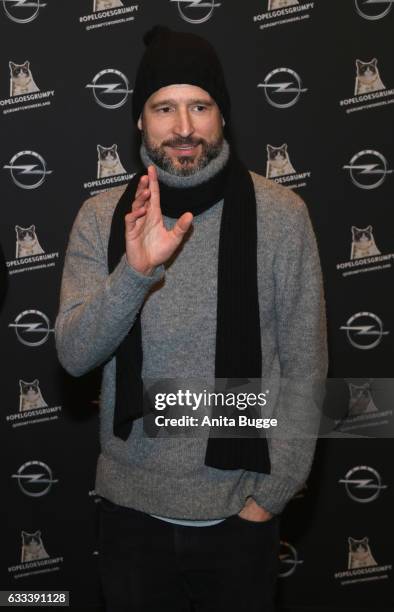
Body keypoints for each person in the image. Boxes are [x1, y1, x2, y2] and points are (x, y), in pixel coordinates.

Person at [55, 25, 327, 612]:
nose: (183, 128)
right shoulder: (102, 217)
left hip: (240, 516)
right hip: (130, 519)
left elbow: (307, 365)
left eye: (199, 106)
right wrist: (133, 272)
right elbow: (74, 356)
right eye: (164, 108)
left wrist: (270, 498)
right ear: (139, 122)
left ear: (222, 115)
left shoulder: (281, 217)